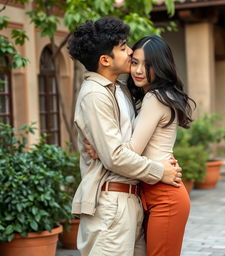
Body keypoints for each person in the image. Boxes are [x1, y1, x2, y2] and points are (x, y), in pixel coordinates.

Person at [67, 17, 182, 256]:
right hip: (111, 202)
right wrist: (159, 170)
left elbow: (124, 146)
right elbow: (115, 157)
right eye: (123, 48)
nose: (130, 52)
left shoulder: (121, 89)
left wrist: (107, 151)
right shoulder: (94, 95)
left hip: (133, 200)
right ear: (105, 60)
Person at [125, 35, 196, 256]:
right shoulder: (157, 96)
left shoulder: (155, 98)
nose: (138, 70)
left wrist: (99, 148)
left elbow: (131, 151)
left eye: (148, 65)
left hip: (165, 197)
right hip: (156, 193)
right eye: (135, 62)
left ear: (161, 66)